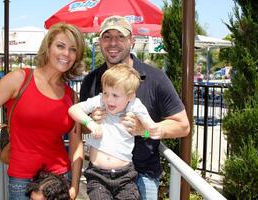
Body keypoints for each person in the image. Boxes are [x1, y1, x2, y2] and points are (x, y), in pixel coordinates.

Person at [0, 22, 84, 200]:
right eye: (60, 46)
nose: (66, 54)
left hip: (60, 180)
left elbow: (76, 144)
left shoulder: (71, 96)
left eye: (73, 49)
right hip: (23, 182)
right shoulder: (19, 79)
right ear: (48, 47)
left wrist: (75, 185)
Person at [79, 15, 190, 200]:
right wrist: (90, 121)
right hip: (101, 176)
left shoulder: (155, 78)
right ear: (99, 42)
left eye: (120, 37)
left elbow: (183, 126)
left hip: (143, 174)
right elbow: (81, 128)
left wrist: (143, 130)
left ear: (132, 41)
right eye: (107, 36)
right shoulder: (91, 80)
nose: (113, 42)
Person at [69, 63, 156, 199]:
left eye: (115, 95)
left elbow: (152, 131)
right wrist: (89, 122)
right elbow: (73, 110)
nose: (109, 99)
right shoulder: (99, 101)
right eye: (106, 93)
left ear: (130, 96)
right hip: (97, 176)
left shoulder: (135, 106)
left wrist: (142, 131)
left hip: (125, 177)